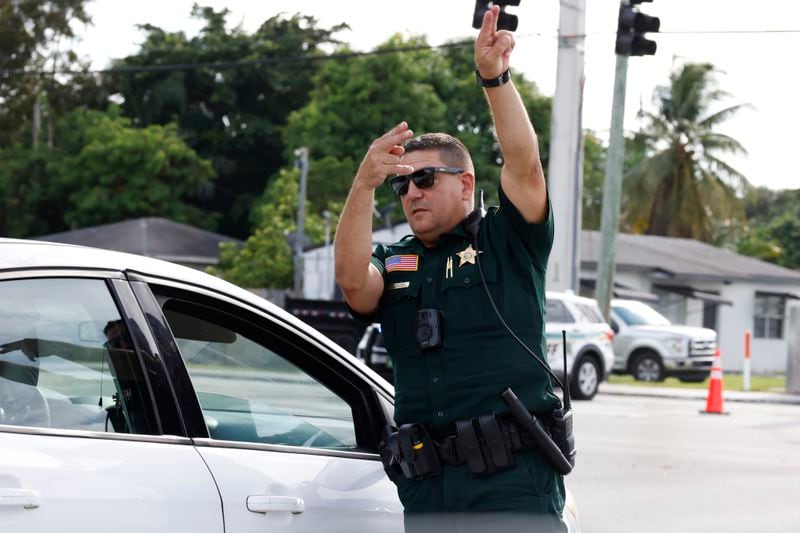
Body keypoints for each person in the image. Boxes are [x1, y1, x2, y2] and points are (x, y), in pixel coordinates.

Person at [334, 5, 566, 531]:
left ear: (464, 184)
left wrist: (494, 77)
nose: (411, 192)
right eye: (401, 184)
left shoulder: (511, 240)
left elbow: (524, 164)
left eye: (425, 179)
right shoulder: (394, 259)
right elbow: (353, 284)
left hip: (512, 483)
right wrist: (363, 183)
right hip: (429, 485)